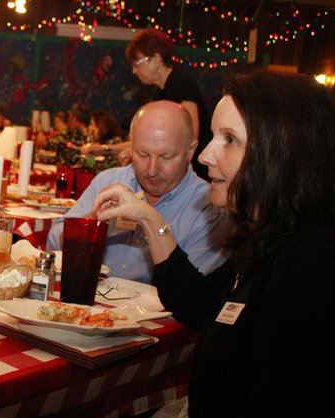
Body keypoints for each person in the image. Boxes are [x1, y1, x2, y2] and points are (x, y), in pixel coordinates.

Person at [40, 68, 335, 418]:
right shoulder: (271, 242)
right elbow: (204, 304)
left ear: (283, 152)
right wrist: (150, 220)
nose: (206, 156)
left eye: (229, 140)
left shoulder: (314, 267)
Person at [46, 100, 227, 283]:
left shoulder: (209, 206)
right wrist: (90, 224)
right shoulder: (108, 181)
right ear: (131, 147)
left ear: (190, 151)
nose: (152, 170)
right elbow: (54, 241)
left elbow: (190, 290)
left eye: (166, 157)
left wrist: (156, 226)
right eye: (143, 154)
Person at [126, 28, 212, 180]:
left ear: (156, 59)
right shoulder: (160, 93)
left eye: (137, 63)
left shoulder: (182, 83)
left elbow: (191, 135)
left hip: (192, 177)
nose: (134, 70)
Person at [45, 103, 91, 167]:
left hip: (69, 173)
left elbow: (48, 144)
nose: (68, 121)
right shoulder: (91, 135)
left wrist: (44, 138)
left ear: (74, 118)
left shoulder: (71, 135)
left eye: (69, 117)